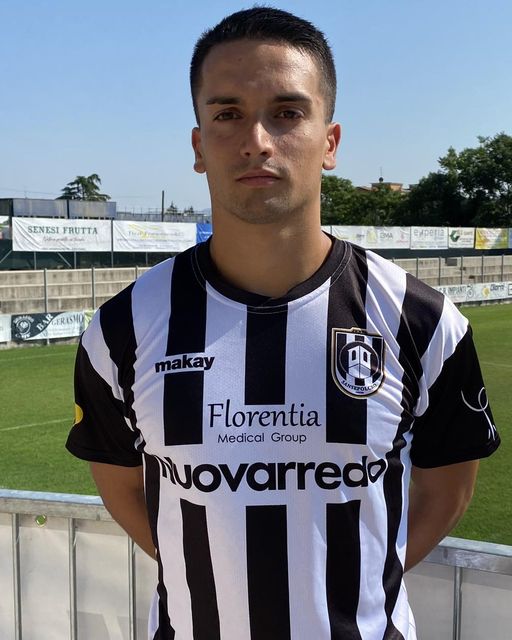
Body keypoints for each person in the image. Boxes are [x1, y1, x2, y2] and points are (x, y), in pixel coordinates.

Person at [66, 7, 500, 639]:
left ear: (330, 142)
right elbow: (124, 490)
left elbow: (448, 490)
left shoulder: (425, 322)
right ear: (199, 145)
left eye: (288, 113)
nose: (257, 141)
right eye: (227, 114)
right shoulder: (120, 331)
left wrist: (355, 583)